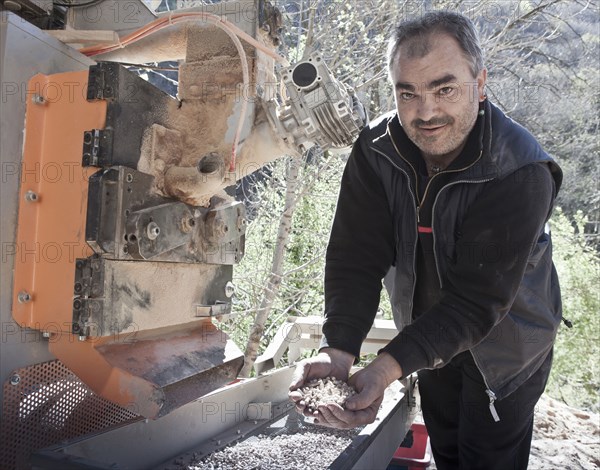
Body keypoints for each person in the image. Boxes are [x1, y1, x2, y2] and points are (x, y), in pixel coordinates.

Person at [289, 11, 563, 470]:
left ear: (480, 83)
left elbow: (477, 303)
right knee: (448, 450)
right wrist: (338, 350)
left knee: (486, 460)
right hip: (428, 337)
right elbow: (357, 256)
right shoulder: (376, 151)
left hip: (508, 345)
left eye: (445, 88)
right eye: (407, 93)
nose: (426, 112)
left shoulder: (519, 169)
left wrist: (383, 368)